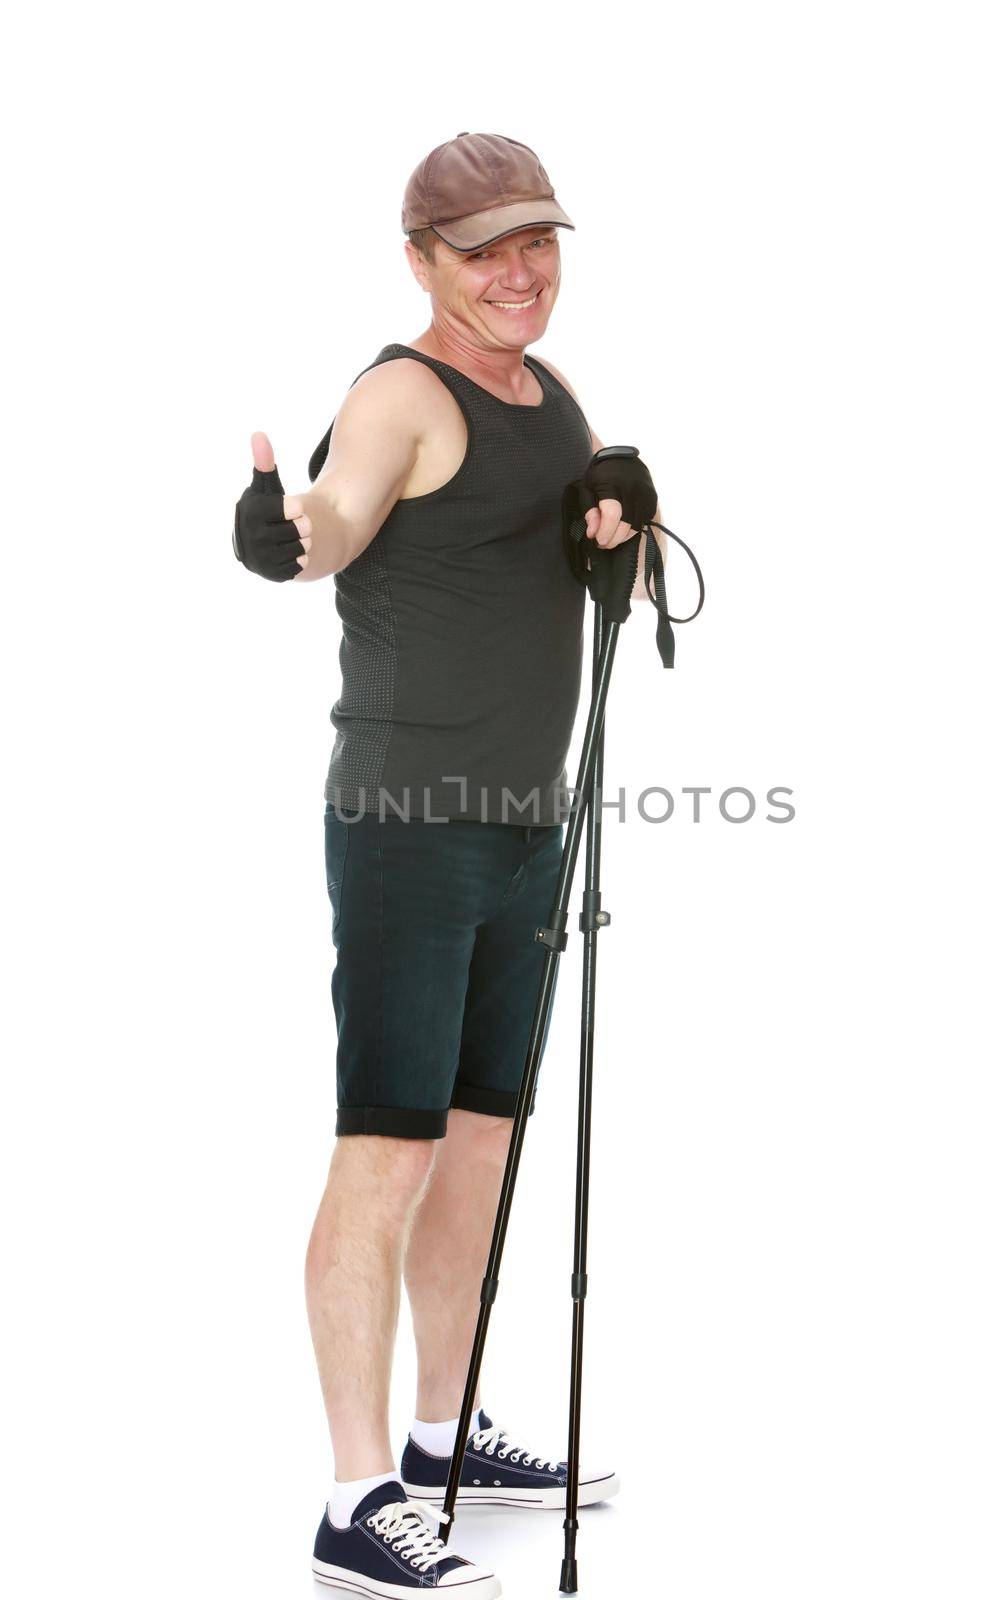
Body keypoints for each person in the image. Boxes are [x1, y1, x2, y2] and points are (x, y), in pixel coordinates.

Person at [232, 131, 665, 1597]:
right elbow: (335, 522)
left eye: (534, 240)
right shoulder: (398, 391)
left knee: (481, 1139)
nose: (517, 272)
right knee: (389, 1146)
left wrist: (614, 528)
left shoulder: (548, 395)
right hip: (409, 826)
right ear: (418, 258)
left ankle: (439, 1436)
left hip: (524, 827)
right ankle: (354, 1502)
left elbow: (562, 555)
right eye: (481, 249)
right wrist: (281, 531)